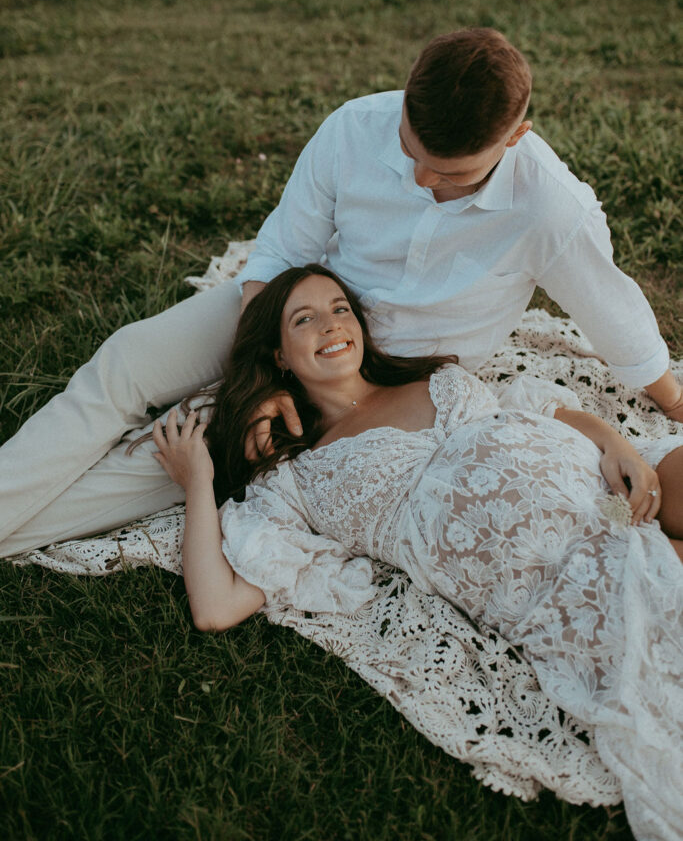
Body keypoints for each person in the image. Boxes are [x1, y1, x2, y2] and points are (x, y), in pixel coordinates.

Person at [1, 27, 681, 557]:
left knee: (183, 445)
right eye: (411, 150)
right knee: (125, 360)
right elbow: (281, 254)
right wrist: (257, 362)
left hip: (379, 381)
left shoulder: (552, 210)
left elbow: (612, 313)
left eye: (445, 173)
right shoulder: (353, 128)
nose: (418, 179)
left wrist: (671, 399)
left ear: (514, 137)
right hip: (290, 313)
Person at [153, 265, 683, 841]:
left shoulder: (432, 378)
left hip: (607, 487)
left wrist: (616, 444)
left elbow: (541, 414)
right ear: (278, 354)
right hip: (560, 573)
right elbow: (214, 607)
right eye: (304, 319)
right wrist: (197, 481)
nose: (332, 325)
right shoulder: (297, 480)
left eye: (340, 309)